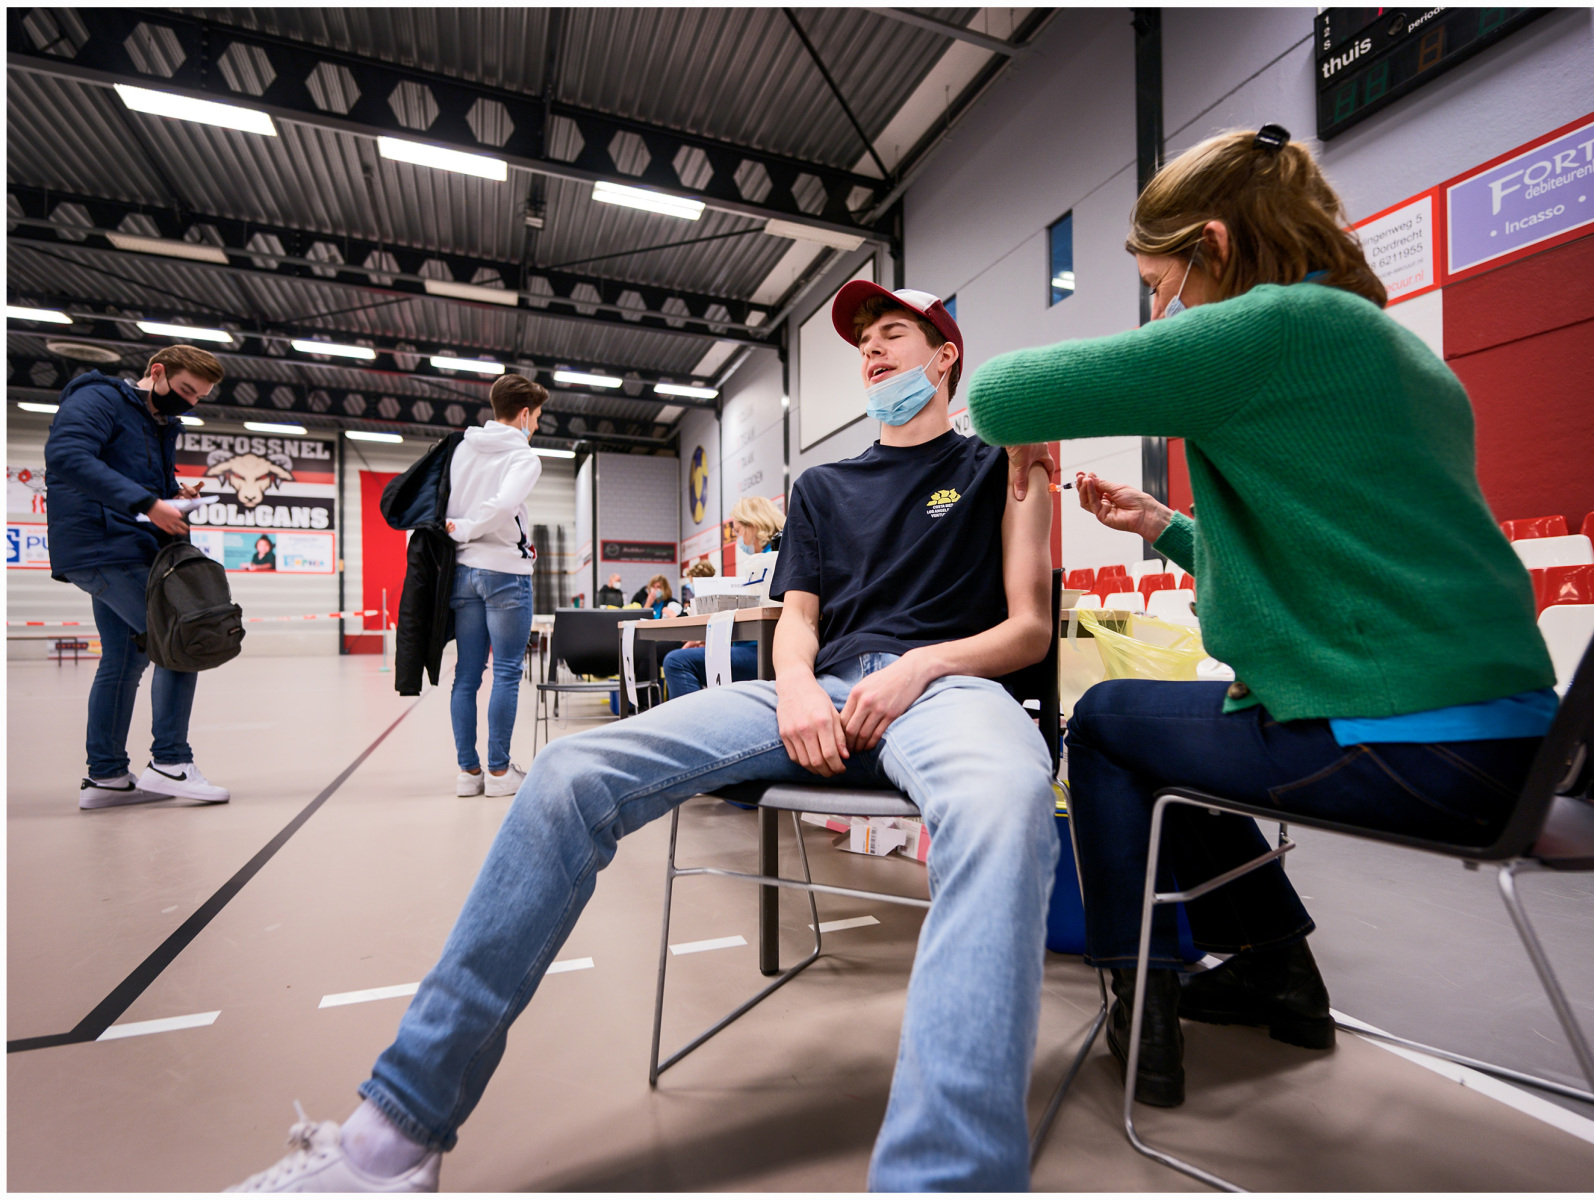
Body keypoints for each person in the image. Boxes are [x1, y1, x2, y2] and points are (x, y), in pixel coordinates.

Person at [228, 280, 1058, 1192]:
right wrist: (793, 686)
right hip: (815, 689)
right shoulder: (822, 488)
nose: (871, 351)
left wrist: (918, 667)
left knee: (1004, 804)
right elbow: (798, 620)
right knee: (568, 771)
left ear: (946, 357)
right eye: (863, 342)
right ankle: (389, 1141)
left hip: (946, 691)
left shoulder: (1004, 464)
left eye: (893, 333)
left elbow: (1029, 629)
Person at [966, 125, 1558, 1108]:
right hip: (1514, 746)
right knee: (1187, 729)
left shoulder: (1269, 328)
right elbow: (1323, 562)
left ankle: (1142, 1006)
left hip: (1411, 748)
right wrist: (1162, 525)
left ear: (1215, 244)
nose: (1164, 310)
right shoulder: (1390, 346)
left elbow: (998, 395)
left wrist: (1042, 422)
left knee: (1108, 724)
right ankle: (1275, 975)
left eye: (1162, 285)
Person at [45, 345, 233, 810]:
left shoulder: (159, 422)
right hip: (102, 545)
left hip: (125, 546)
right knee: (180, 638)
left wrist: (172, 494)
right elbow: (67, 455)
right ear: (158, 371)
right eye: (186, 390)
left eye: (199, 397)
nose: (190, 402)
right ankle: (171, 762)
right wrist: (149, 503)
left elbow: (136, 480)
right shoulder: (99, 398)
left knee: (125, 659)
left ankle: (107, 777)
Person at [443, 374, 547, 800]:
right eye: (536, 417)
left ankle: (468, 773)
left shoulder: (462, 448)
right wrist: (470, 527)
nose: (536, 425)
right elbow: (503, 505)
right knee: (506, 671)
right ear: (523, 414)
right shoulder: (524, 457)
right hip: (504, 573)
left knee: (466, 675)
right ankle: (500, 772)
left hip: (463, 572)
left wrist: (461, 532)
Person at [663, 496, 786, 699]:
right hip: (763, 648)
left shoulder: (769, 562)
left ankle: (698, 720)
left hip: (768, 653)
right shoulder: (767, 560)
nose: (738, 538)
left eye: (738, 531)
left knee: (677, 662)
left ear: (753, 526)